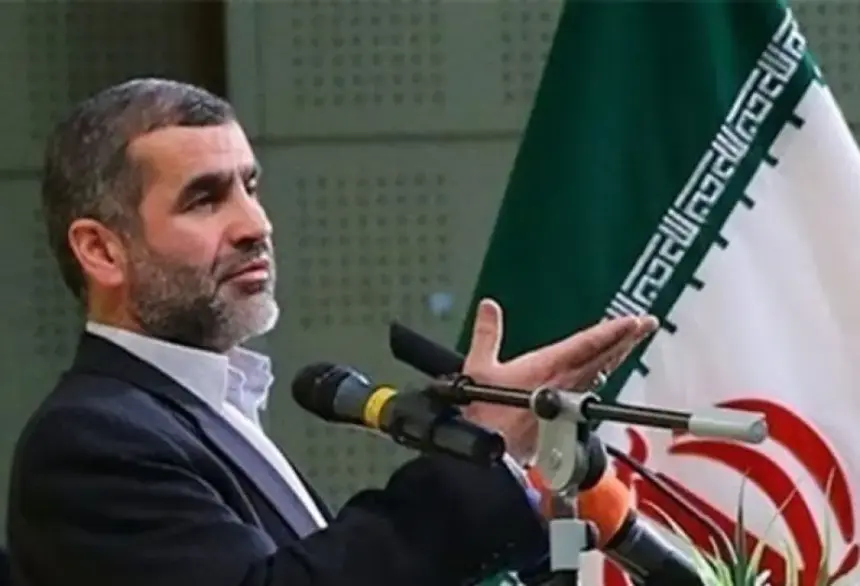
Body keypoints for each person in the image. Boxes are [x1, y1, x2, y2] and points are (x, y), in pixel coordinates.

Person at [5, 78, 657, 586]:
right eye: (205, 199)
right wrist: (483, 448)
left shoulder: (206, 411)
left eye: (250, 187)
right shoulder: (91, 442)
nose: (255, 224)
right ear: (102, 251)